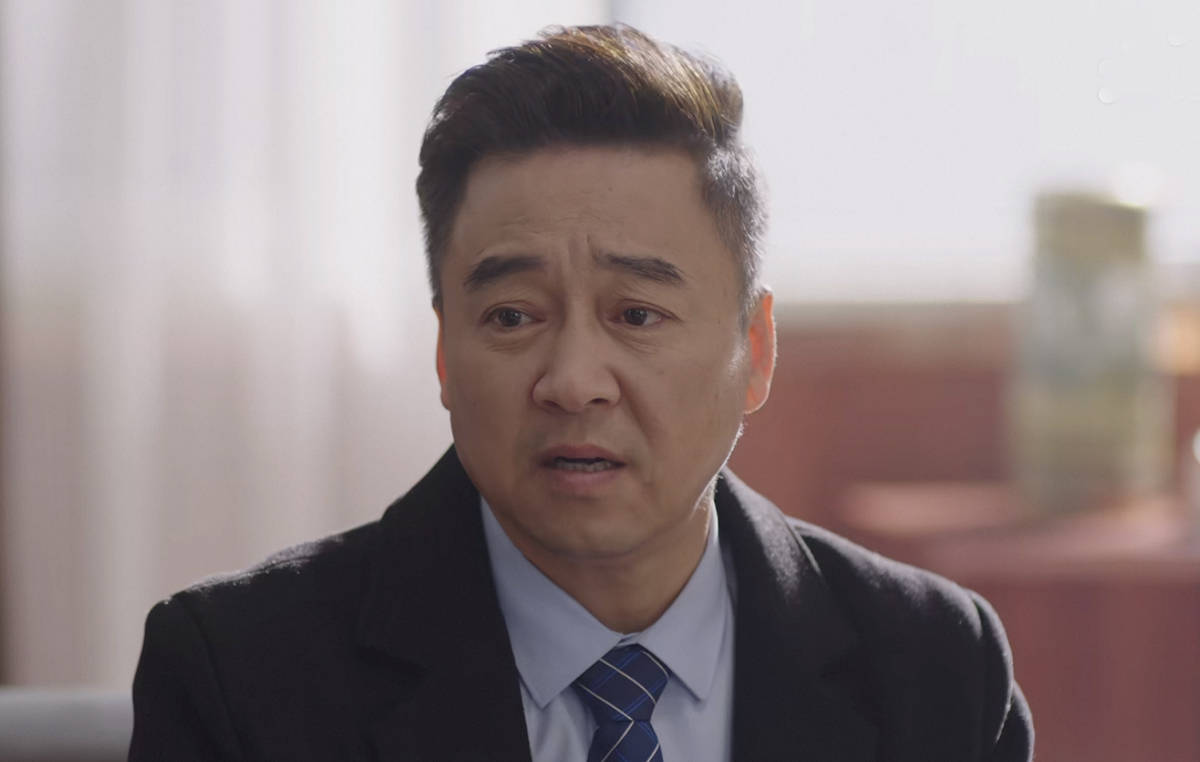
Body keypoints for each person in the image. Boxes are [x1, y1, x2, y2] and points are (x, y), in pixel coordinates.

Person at [129, 24, 1033, 761]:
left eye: (637, 315)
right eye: (512, 316)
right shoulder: (239, 678)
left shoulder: (934, 668)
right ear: (444, 352)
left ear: (754, 351)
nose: (571, 382)